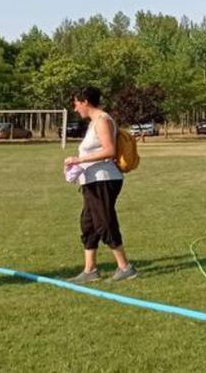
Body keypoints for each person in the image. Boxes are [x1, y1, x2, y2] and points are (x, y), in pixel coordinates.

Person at [64, 86, 137, 283]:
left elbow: (110, 151)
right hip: (92, 181)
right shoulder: (94, 122)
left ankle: (125, 267)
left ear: (85, 101)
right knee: (88, 223)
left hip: (104, 179)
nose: (75, 107)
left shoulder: (103, 120)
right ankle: (90, 270)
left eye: (76, 103)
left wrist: (79, 160)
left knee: (104, 221)